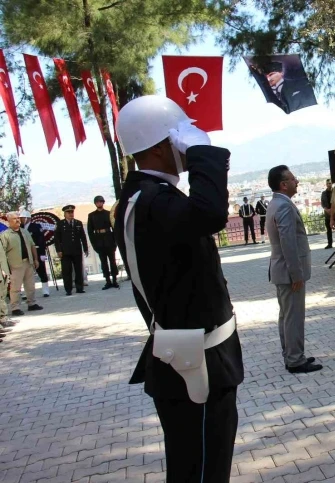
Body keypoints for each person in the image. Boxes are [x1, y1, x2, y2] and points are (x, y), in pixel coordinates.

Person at [114, 95, 244, 482]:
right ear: (158, 148)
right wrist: (203, 152)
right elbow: (210, 214)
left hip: (193, 357)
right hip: (196, 366)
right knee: (203, 471)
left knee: (196, 466)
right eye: (178, 140)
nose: (184, 148)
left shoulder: (145, 197)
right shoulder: (153, 200)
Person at [266, 165, 321, 374]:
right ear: (283, 184)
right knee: (294, 316)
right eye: (293, 178)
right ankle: (295, 360)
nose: (296, 181)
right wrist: (296, 274)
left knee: (286, 315)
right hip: (289, 273)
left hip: (281, 270)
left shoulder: (276, 203)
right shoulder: (284, 206)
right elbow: (288, 242)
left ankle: (291, 353)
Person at [0, 212, 43, 316]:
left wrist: (36, 259)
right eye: (14, 219)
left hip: (28, 262)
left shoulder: (25, 232)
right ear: (9, 221)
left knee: (30, 285)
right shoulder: (5, 235)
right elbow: (2, 252)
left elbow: (32, 245)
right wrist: (4, 267)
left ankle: (32, 303)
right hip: (15, 265)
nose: (18, 220)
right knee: (15, 288)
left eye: (18, 218)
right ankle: (15, 307)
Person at [55, 205, 88, 295]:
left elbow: (83, 237)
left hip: (76, 250)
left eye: (72, 212)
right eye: (68, 212)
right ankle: (68, 289)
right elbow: (57, 239)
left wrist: (85, 248)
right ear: (65, 214)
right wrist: (58, 250)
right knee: (67, 271)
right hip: (65, 251)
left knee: (78, 270)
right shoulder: (60, 224)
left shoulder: (78, 223)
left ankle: (79, 287)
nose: (71, 214)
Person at [88, 196, 119, 290]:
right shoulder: (92, 215)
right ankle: (107, 281)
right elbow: (90, 231)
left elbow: (114, 228)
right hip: (99, 240)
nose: (99, 203)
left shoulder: (108, 214)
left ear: (103, 203)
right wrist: (94, 244)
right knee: (103, 262)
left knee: (112, 261)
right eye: (97, 202)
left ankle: (114, 280)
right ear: (95, 203)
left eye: (101, 202)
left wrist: (115, 241)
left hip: (109, 239)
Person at [20, 209, 50, 297]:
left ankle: (45, 290)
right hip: (26, 253)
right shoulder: (20, 228)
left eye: (22, 218)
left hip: (37, 251)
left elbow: (41, 241)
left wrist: (42, 254)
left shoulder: (36, 226)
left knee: (41, 271)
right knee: (26, 273)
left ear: (27, 218)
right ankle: (26, 292)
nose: (21, 219)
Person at [320, 179, 334, 249]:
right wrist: (326, 209)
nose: (329, 184)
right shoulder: (323, 193)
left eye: (330, 183)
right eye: (328, 183)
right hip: (327, 214)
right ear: (326, 184)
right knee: (328, 230)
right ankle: (330, 244)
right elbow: (322, 203)